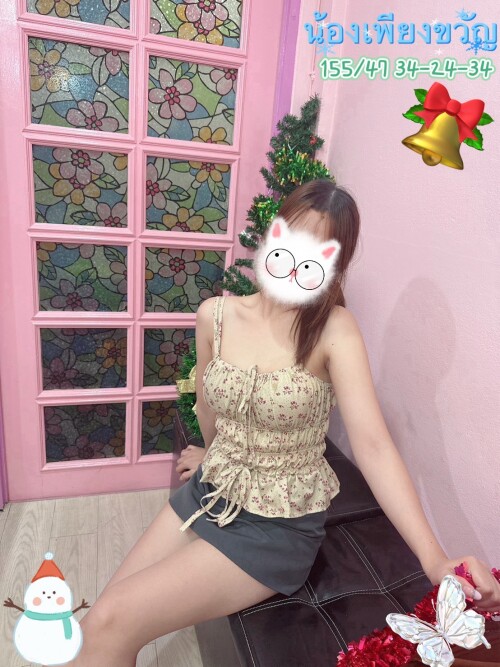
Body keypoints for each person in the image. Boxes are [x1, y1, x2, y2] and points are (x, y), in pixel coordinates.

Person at [65, 179, 500, 666]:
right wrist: (213, 453)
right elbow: (209, 406)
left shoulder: (334, 331)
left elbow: (374, 447)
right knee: (98, 621)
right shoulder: (216, 316)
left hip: (277, 526)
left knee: (113, 619)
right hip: (213, 490)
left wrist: (434, 559)